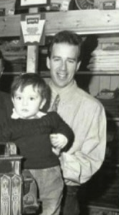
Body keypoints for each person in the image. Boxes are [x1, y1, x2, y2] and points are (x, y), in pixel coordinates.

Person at [0, 73, 74, 215]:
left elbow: (66, 129)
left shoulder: (50, 118)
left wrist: (63, 137)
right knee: (20, 208)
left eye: (31, 98)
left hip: (50, 173)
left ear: (42, 102)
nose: (24, 103)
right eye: (19, 98)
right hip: (22, 175)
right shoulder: (8, 125)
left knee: (51, 206)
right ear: (13, 100)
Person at [46, 30, 106, 215]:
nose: (63, 68)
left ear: (78, 65)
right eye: (57, 59)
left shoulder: (92, 108)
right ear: (48, 61)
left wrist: (54, 160)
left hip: (66, 197)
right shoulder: (26, 96)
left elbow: (91, 162)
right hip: (26, 190)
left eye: (70, 61)